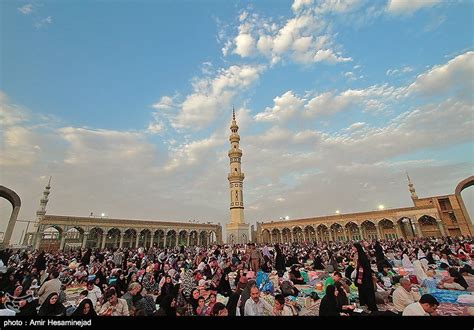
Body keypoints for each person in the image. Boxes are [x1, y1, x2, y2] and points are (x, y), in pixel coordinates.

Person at [353, 243, 378, 312]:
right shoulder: (362, 255)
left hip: (364, 279)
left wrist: (359, 279)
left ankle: (367, 306)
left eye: (353, 247)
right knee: (366, 292)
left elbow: (361, 269)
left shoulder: (361, 256)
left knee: (365, 292)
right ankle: (367, 306)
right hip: (365, 278)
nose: (352, 248)